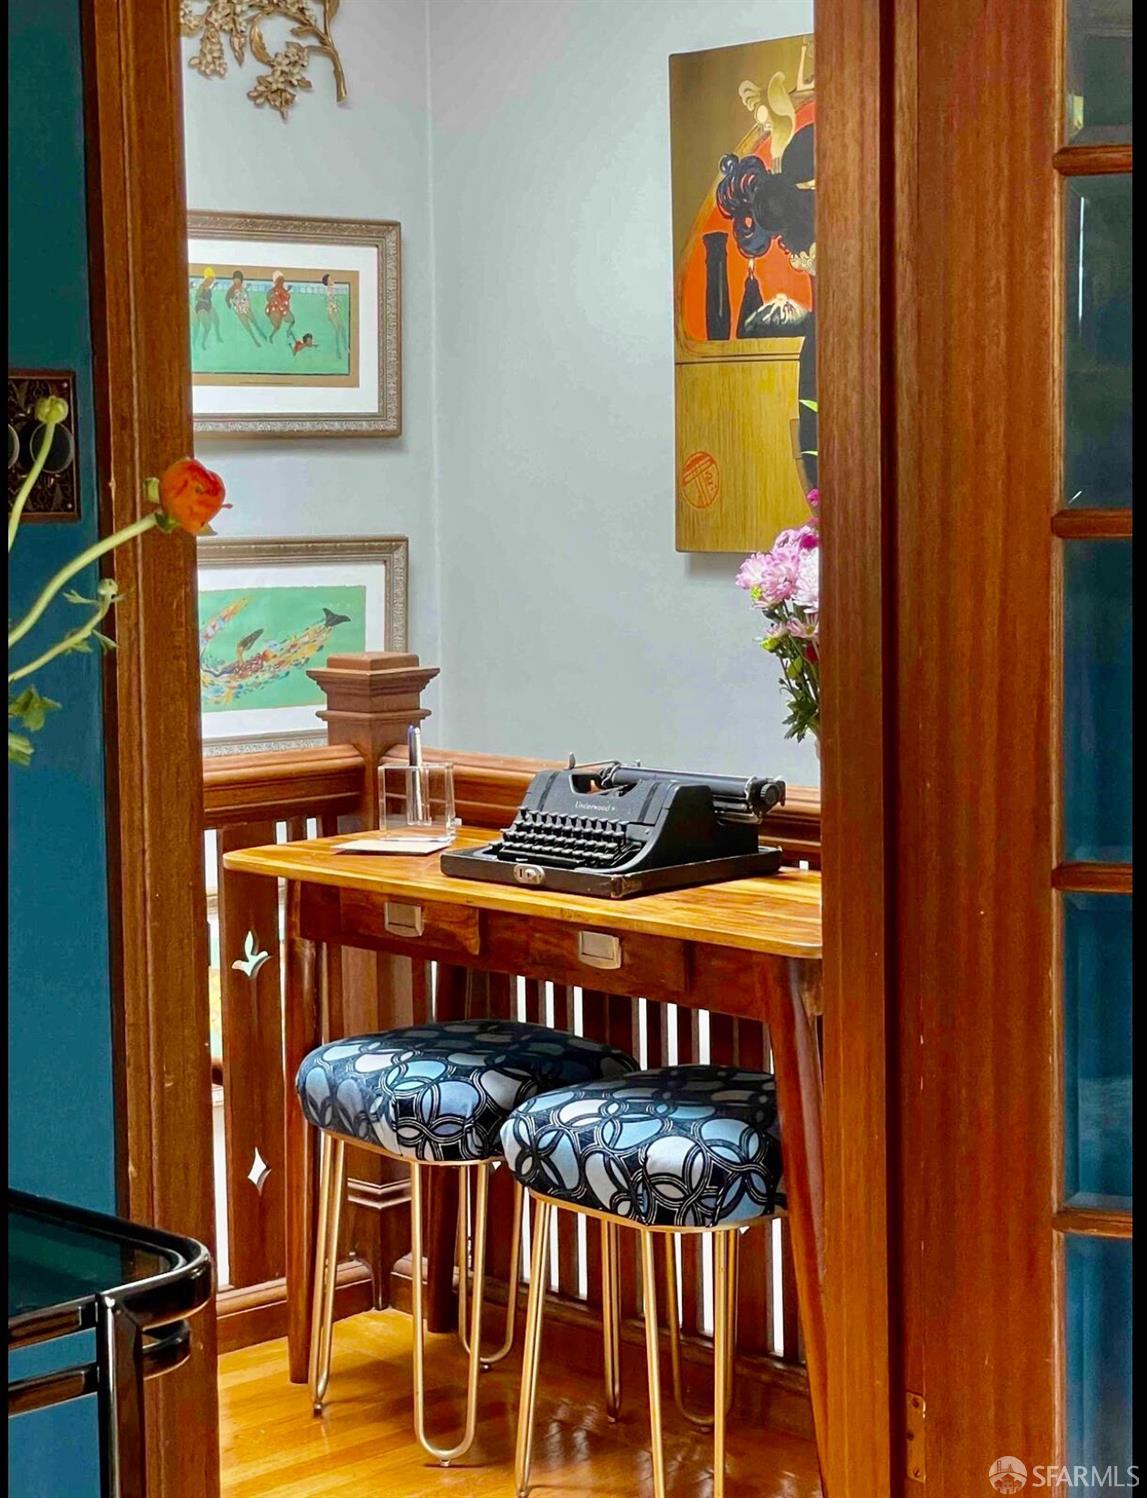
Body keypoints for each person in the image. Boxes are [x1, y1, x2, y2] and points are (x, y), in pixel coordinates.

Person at [224, 270, 265, 346]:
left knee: (255, 322)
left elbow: (246, 298)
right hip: (240, 312)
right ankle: (255, 340)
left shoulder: (243, 288)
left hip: (247, 309)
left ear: (241, 280)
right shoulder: (231, 290)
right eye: (236, 281)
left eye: (239, 281)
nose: (237, 283)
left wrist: (249, 306)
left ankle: (260, 332)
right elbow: (226, 298)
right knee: (248, 327)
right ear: (234, 280)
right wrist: (229, 304)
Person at [192, 266, 222, 350]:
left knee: (216, 320)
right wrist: (205, 301)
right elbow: (196, 297)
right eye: (211, 279)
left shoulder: (208, 286)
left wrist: (214, 287)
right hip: (201, 307)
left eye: (213, 279)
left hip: (208, 305)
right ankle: (203, 343)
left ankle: (218, 336)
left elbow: (208, 292)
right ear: (207, 278)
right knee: (208, 326)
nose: (212, 281)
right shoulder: (201, 287)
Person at [321, 273, 347, 359]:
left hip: (335, 311)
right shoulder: (329, 290)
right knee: (337, 330)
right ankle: (338, 351)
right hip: (332, 312)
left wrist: (337, 304)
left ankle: (345, 347)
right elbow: (329, 303)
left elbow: (334, 301)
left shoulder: (332, 289)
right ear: (328, 282)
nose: (333, 280)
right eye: (331, 279)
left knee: (342, 328)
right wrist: (332, 309)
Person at [265, 271, 295, 341]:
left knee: (292, 321)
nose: (281, 282)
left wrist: (287, 290)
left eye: (282, 280)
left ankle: (288, 330)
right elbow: (270, 297)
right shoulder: (272, 291)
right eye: (279, 280)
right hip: (275, 311)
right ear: (276, 282)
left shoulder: (282, 290)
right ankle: (271, 336)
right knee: (277, 326)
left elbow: (283, 296)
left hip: (283, 310)